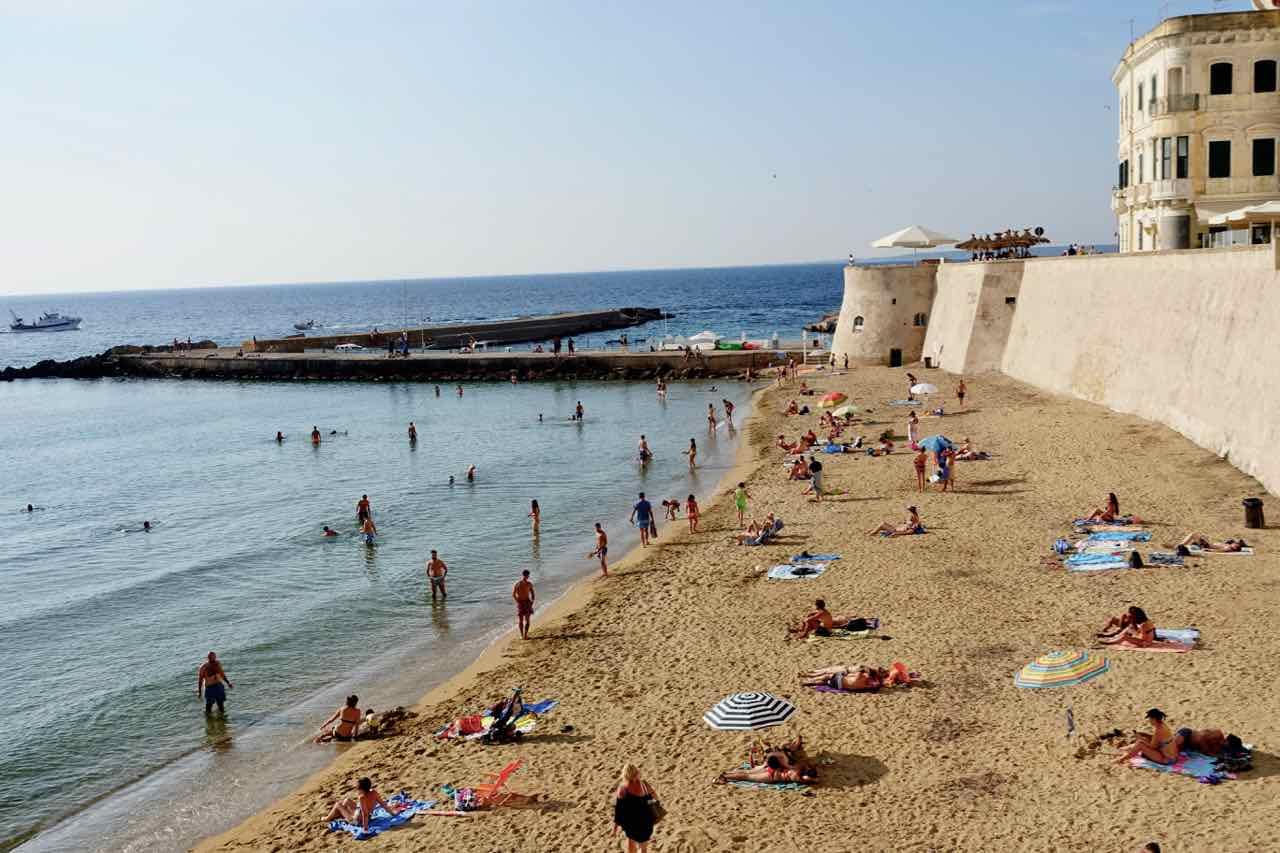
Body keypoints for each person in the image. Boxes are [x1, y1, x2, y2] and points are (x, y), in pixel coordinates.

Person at [326, 777, 403, 831]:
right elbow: (384, 805)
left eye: (358, 789)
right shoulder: (374, 793)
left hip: (356, 821)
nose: (357, 791)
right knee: (347, 800)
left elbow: (365, 814)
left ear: (362, 790)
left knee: (337, 804)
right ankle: (340, 813)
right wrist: (392, 814)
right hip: (364, 816)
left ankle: (326, 818)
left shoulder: (362, 798)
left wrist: (365, 828)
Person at [612, 765, 657, 852]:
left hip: (632, 824)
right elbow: (656, 798)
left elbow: (619, 811)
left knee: (631, 844)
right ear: (636, 773)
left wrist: (615, 829)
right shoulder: (644, 784)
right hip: (646, 821)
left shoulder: (623, 788)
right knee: (643, 848)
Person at [715, 753, 817, 785]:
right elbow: (810, 780)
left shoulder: (799, 767)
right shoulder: (797, 777)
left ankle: (727, 773)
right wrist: (813, 779)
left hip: (772, 769)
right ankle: (725, 776)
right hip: (771, 776)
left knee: (748, 771)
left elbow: (808, 765)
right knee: (747, 776)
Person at [799, 663, 911, 692]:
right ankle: (809, 680)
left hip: (842, 680)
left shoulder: (864, 675)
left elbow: (861, 670)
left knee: (826, 676)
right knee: (825, 680)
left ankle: (810, 679)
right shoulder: (871, 681)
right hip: (842, 684)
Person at [513, 570, 535, 639]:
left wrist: (518, 601)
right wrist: (532, 601)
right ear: (528, 575)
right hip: (526, 602)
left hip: (522, 603)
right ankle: (524, 635)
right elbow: (533, 594)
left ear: (523, 575)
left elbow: (513, 595)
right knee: (526, 620)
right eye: (528, 575)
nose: (527, 576)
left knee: (521, 620)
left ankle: (523, 635)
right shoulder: (529, 584)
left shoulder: (517, 584)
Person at [1177, 533, 1247, 553]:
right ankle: (1182, 545)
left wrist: (1209, 550)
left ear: (1235, 547)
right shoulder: (1229, 544)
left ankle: (1181, 545)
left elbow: (1220, 551)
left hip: (1207, 546)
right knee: (1197, 535)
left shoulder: (1228, 548)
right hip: (1208, 544)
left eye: (1236, 544)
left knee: (1193, 535)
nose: (1235, 543)